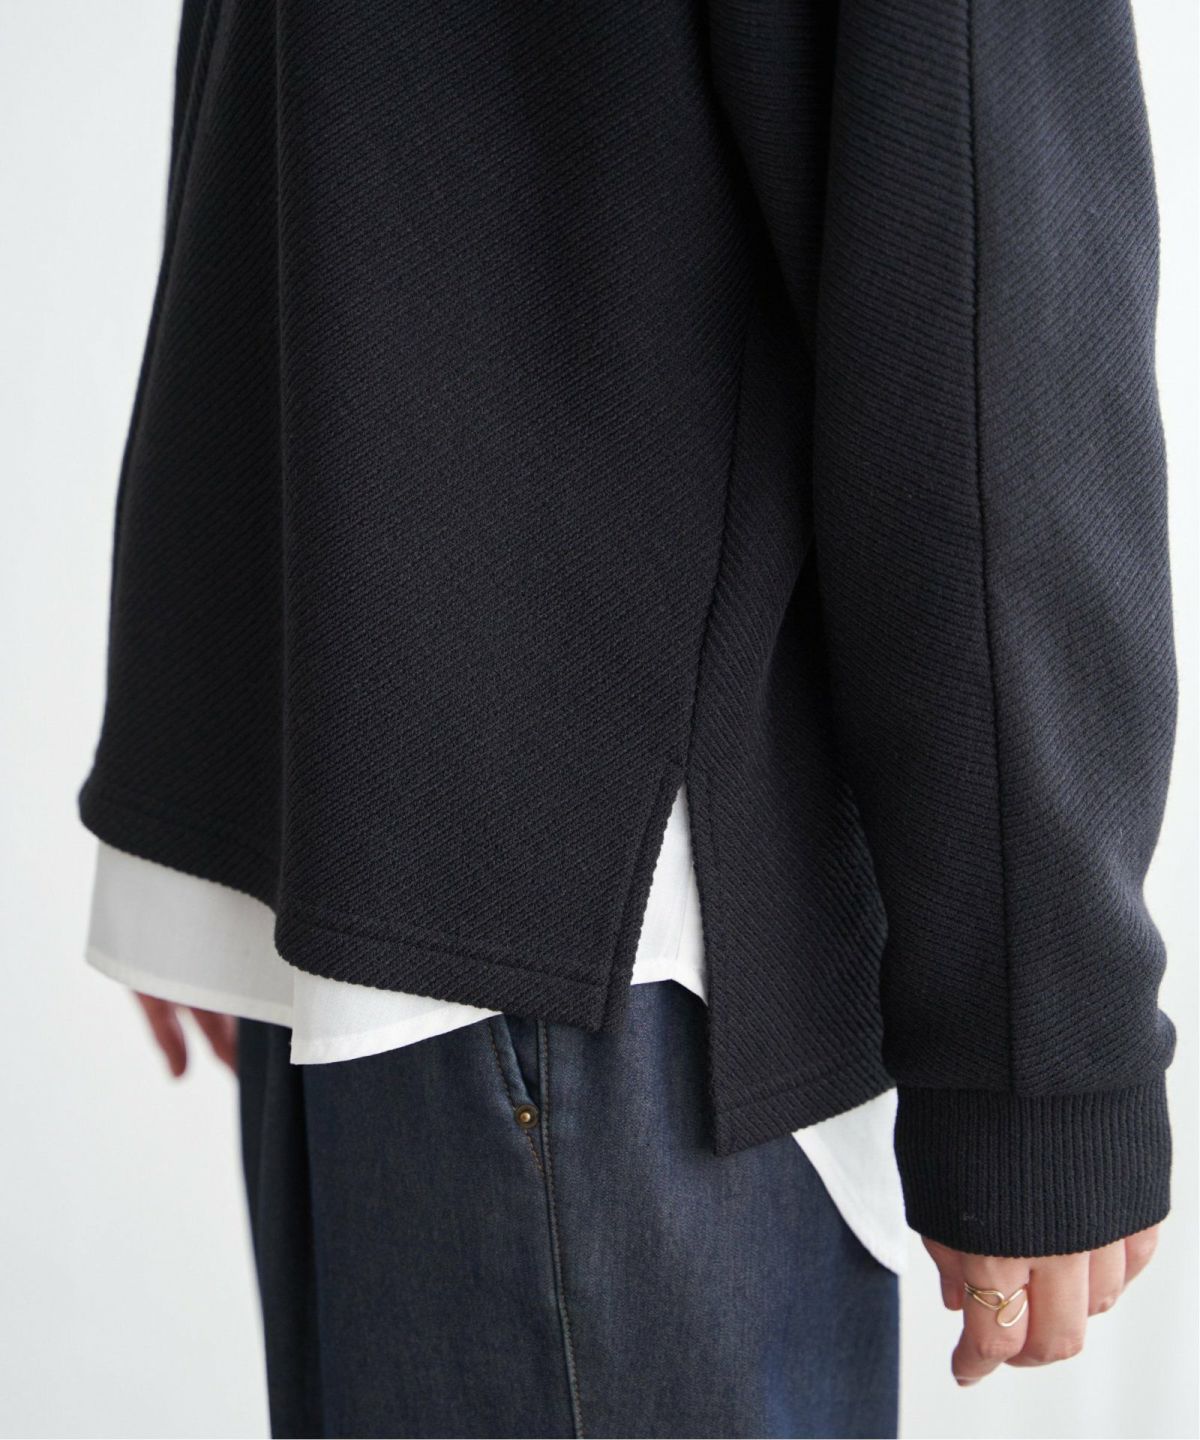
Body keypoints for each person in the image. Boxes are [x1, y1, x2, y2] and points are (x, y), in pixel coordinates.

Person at [78, 1, 1176, 1436]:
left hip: (442, 875)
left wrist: (205, 766)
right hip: (596, 936)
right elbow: (986, 262)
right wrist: (1045, 1049)